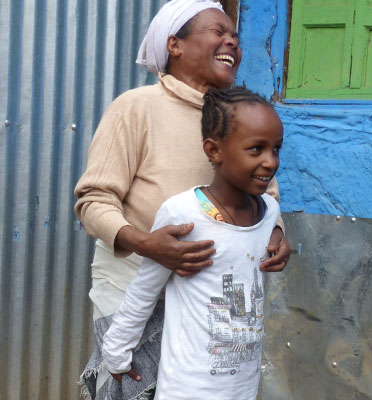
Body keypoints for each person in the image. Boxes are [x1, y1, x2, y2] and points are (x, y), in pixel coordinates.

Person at [74, 1, 290, 399]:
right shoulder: (136, 108)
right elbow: (94, 201)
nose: (231, 43)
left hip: (206, 300)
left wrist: (275, 231)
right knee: (132, 388)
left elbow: (266, 194)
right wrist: (147, 244)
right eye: (218, 32)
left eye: (236, 38)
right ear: (174, 44)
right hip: (133, 288)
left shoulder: (240, 116)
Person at [102, 86, 283, 400]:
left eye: (276, 149)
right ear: (214, 151)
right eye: (256, 149)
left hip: (243, 387)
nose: (271, 162)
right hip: (188, 388)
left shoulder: (269, 213)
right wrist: (117, 353)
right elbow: (145, 288)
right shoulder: (183, 214)